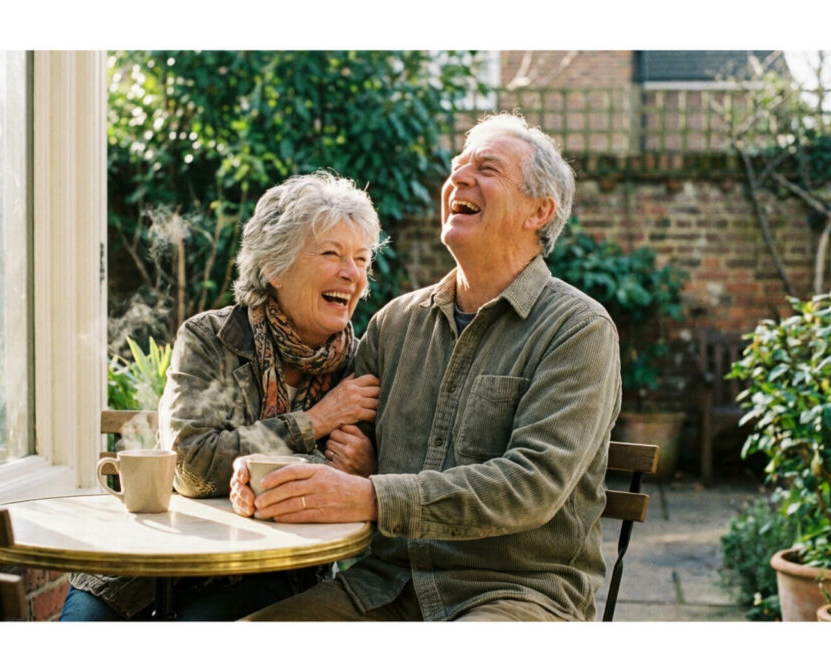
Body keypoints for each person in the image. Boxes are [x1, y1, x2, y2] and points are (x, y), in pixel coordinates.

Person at [236, 112, 622, 622]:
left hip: (516, 595)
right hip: (383, 587)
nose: (458, 177)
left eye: (486, 169)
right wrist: (272, 477)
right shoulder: (395, 324)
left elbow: (531, 485)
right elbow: (342, 459)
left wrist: (373, 495)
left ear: (540, 211)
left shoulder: (577, 330)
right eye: (458, 166)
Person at [60, 170, 384, 621]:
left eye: (362, 259)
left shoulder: (364, 364)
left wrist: (365, 472)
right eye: (331, 253)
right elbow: (190, 466)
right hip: (149, 569)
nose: (351, 274)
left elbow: (379, 483)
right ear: (274, 267)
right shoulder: (210, 339)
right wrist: (314, 423)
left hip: (272, 575)